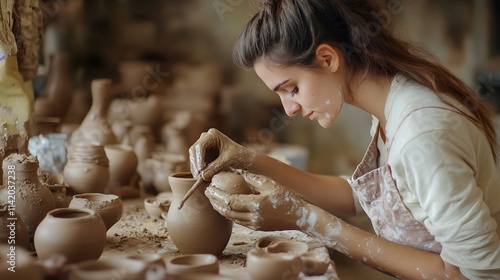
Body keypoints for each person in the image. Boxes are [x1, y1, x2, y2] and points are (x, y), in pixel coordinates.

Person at [189, 0, 500, 279]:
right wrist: (251, 160)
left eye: (292, 88)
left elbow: (474, 274)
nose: (290, 108)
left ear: (327, 59)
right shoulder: (392, 102)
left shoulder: (421, 136)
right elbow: (364, 197)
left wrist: (307, 220)